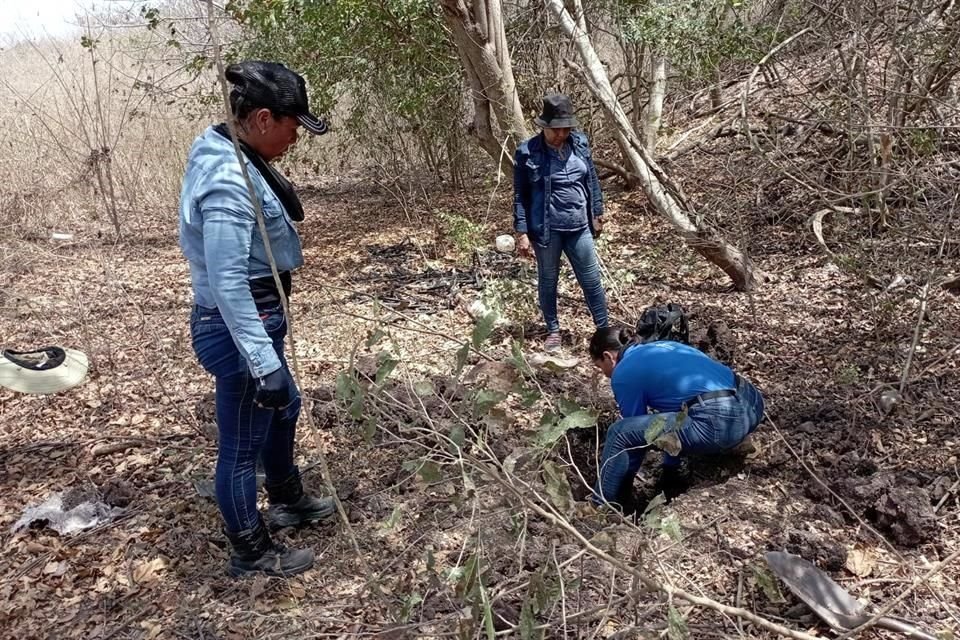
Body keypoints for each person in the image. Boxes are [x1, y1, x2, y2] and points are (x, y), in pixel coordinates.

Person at [179, 61, 334, 578]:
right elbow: (228, 282)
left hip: (257, 317)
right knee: (241, 446)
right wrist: (262, 359)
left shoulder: (236, 150)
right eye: (293, 126)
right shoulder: (228, 180)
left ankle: (286, 496)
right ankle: (250, 549)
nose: (296, 137)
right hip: (237, 327)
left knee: (286, 406)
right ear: (265, 119)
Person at [588, 327, 765, 513]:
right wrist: (670, 470)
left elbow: (632, 439)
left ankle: (599, 506)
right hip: (752, 403)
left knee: (618, 432)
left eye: (600, 367)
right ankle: (736, 440)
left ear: (608, 357)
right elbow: (677, 411)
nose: (604, 374)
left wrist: (623, 486)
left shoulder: (623, 372)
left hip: (719, 419)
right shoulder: (662, 346)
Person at [513, 94, 609, 352]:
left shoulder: (580, 144)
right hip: (547, 230)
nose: (562, 134)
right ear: (544, 126)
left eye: (567, 128)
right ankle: (553, 330)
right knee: (548, 279)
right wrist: (521, 232)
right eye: (557, 129)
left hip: (580, 226)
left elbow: (593, 182)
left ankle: (604, 331)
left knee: (591, 280)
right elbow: (520, 194)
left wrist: (597, 212)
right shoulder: (527, 152)